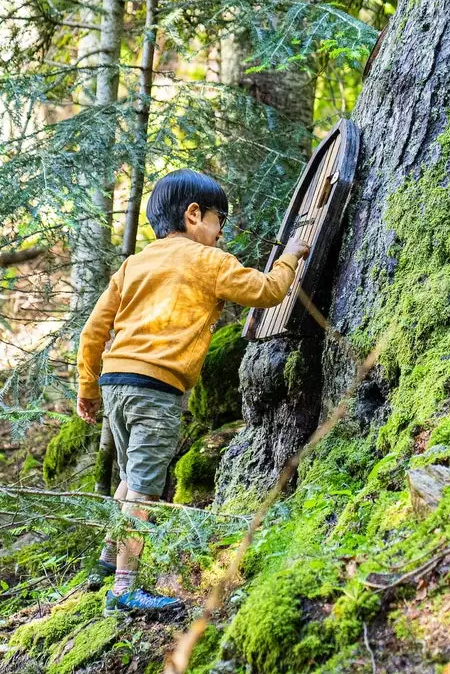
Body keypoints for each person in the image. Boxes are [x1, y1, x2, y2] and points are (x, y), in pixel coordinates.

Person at [76, 169, 309, 614]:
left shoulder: (134, 264)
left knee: (131, 477)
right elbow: (267, 291)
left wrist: (87, 388)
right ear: (193, 215)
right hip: (157, 387)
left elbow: (93, 331)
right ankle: (123, 591)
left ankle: (106, 560)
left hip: (116, 384)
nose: (222, 233)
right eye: (219, 221)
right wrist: (291, 256)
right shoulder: (209, 262)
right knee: (144, 489)